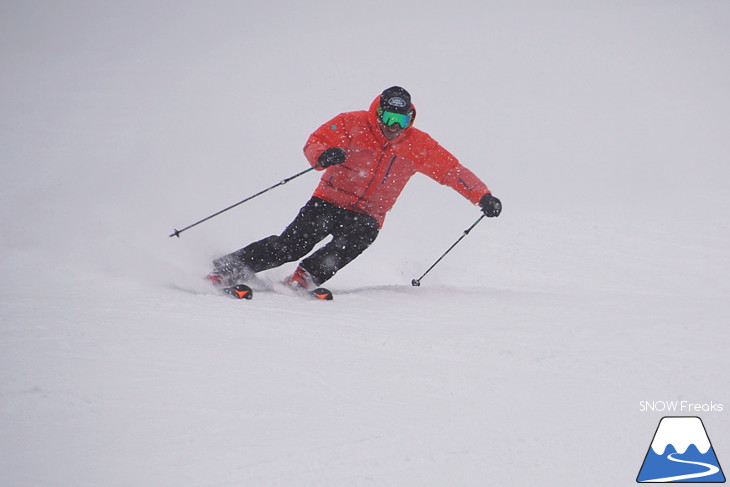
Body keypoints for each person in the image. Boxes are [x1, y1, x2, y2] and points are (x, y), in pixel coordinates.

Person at [206, 86, 502, 290]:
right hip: (329, 201)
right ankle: (228, 267)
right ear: (378, 112)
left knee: (356, 239)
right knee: (291, 246)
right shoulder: (352, 123)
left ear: (410, 118)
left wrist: (483, 196)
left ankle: (305, 278)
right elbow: (316, 141)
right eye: (388, 118)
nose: (393, 126)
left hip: (369, 214)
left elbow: (452, 171)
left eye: (401, 120)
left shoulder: (419, 145)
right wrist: (323, 156)